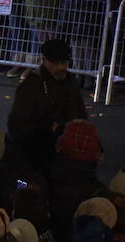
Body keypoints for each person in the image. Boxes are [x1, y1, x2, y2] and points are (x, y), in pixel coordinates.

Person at [6, 37, 87, 176]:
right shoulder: (31, 85)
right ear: (44, 61)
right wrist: (49, 128)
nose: (61, 67)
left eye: (64, 62)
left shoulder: (70, 81)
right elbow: (16, 125)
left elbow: (79, 112)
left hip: (64, 140)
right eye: (56, 63)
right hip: (36, 147)